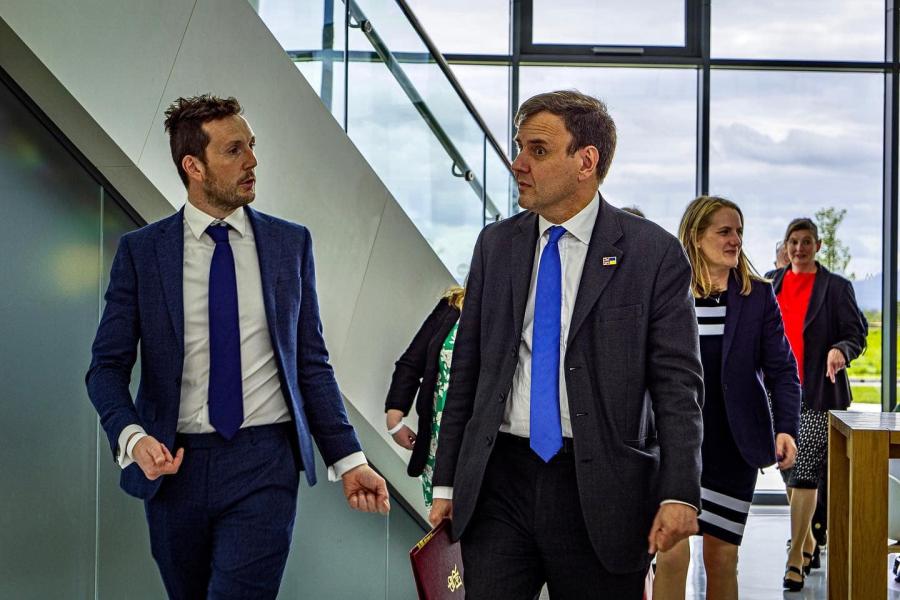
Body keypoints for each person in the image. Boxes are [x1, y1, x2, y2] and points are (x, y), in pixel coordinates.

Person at [85, 95, 389, 599]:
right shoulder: (143, 252)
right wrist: (134, 437)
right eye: (233, 150)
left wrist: (350, 458)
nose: (252, 161)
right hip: (173, 464)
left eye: (251, 146)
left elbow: (311, 363)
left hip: (263, 461)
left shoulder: (290, 245)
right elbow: (106, 367)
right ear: (194, 166)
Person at [428, 90, 705, 599]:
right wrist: (445, 484)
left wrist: (680, 492)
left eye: (536, 150)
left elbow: (677, 387)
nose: (518, 164)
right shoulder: (496, 245)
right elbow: (468, 369)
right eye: (518, 148)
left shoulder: (653, 255)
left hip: (603, 490)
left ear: (586, 161)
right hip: (498, 483)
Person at [652, 196, 801, 600]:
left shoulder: (758, 297)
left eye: (739, 232)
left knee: (721, 559)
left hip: (733, 447)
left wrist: (786, 427)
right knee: (670, 554)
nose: (735, 240)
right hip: (674, 444)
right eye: (724, 231)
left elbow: (783, 371)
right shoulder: (667, 293)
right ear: (697, 238)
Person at [771, 217, 867, 591]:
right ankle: (808, 540)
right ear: (786, 245)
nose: (799, 248)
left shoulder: (836, 288)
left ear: (818, 245)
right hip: (775, 392)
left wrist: (839, 350)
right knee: (786, 465)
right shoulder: (771, 283)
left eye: (806, 241)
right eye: (793, 241)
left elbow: (856, 333)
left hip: (816, 392)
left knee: (806, 469)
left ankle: (795, 558)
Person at [384, 286, 464, 508]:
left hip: (474, 453)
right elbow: (411, 361)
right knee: (442, 535)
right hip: (434, 449)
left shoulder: (509, 315)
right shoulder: (452, 304)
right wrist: (394, 420)